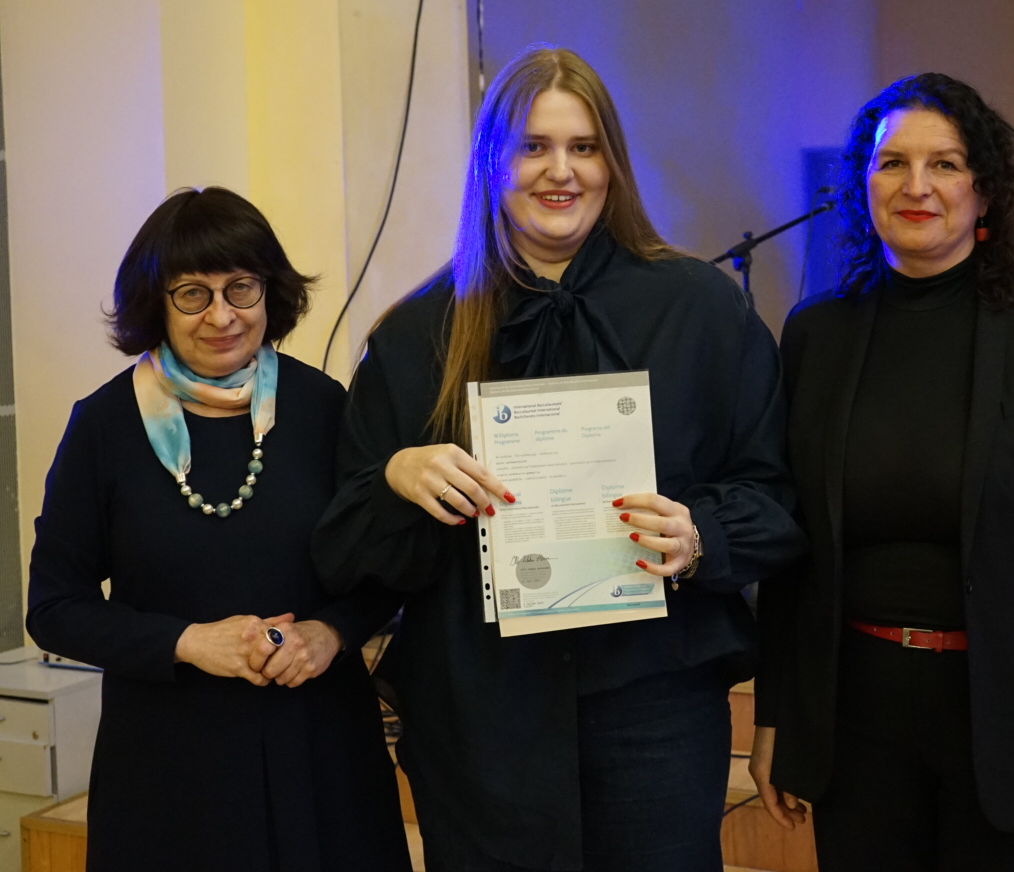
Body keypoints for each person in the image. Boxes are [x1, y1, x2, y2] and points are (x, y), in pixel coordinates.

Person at [312, 45, 804, 872]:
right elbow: (347, 555)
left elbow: (774, 498)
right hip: (481, 723)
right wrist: (397, 480)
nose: (561, 171)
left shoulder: (700, 310)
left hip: (653, 710)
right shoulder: (417, 333)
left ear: (613, 163)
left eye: (584, 147)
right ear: (491, 164)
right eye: (533, 147)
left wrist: (697, 537)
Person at [749, 73, 1014, 870]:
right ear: (863, 185)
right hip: (856, 720)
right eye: (893, 163)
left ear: (984, 189)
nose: (917, 186)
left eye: (947, 164)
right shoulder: (816, 334)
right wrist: (776, 718)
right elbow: (794, 553)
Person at [26, 187, 409, 872]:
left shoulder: (325, 408)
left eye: (241, 288)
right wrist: (188, 641)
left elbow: (383, 571)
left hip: (320, 746)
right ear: (156, 303)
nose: (222, 315)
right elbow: (54, 608)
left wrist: (328, 634)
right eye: (192, 294)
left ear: (269, 292)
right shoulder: (104, 426)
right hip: (170, 765)